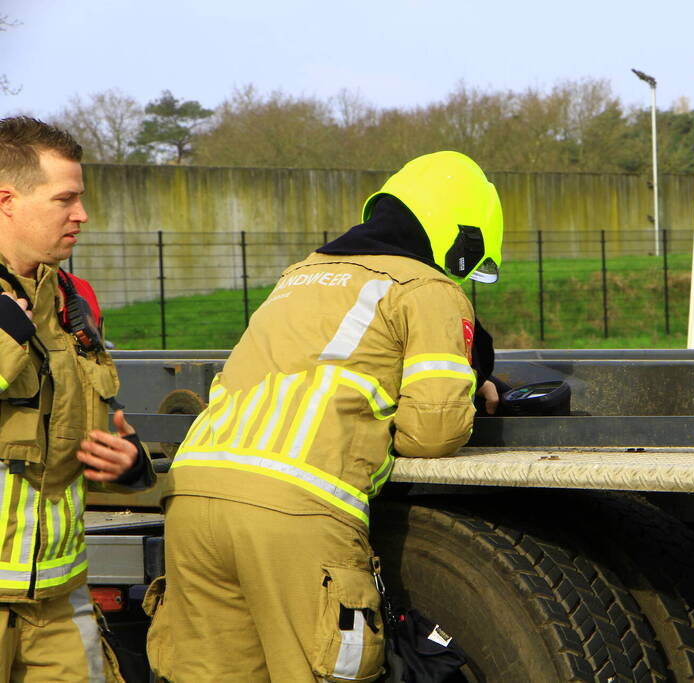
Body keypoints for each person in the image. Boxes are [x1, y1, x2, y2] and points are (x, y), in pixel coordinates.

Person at [146, 150, 503, 681]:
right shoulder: (429, 289)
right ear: (460, 238)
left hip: (193, 497)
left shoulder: (300, 275)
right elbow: (432, 432)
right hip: (293, 511)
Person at [0, 116, 154, 681]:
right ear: (7, 200)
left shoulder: (73, 302)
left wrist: (129, 465)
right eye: (65, 199)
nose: (81, 215)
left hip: (59, 595)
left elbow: (88, 430)